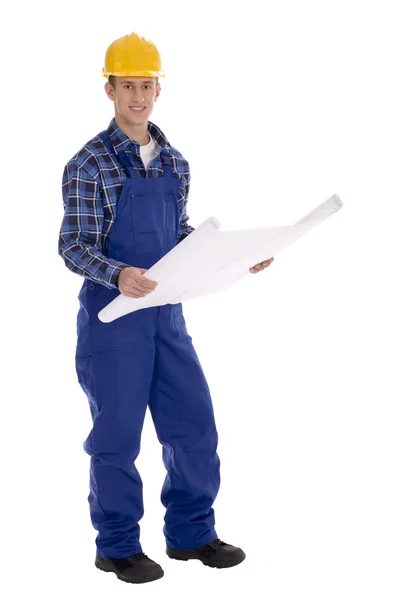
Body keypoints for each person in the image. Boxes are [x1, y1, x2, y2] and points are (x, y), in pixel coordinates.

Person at [58, 31, 274, 585]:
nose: (138, 96)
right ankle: (118, 546)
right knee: (117, 437)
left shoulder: (175, 161)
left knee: (194, 426)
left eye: (146, 85)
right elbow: (74, 244)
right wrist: (118, 273)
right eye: (127, 85)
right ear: (109, 89)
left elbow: (178, 236)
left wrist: (236, 258)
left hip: (168, 317)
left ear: (158, 90)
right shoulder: (89, 163)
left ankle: (192, 534)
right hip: (114, 322)